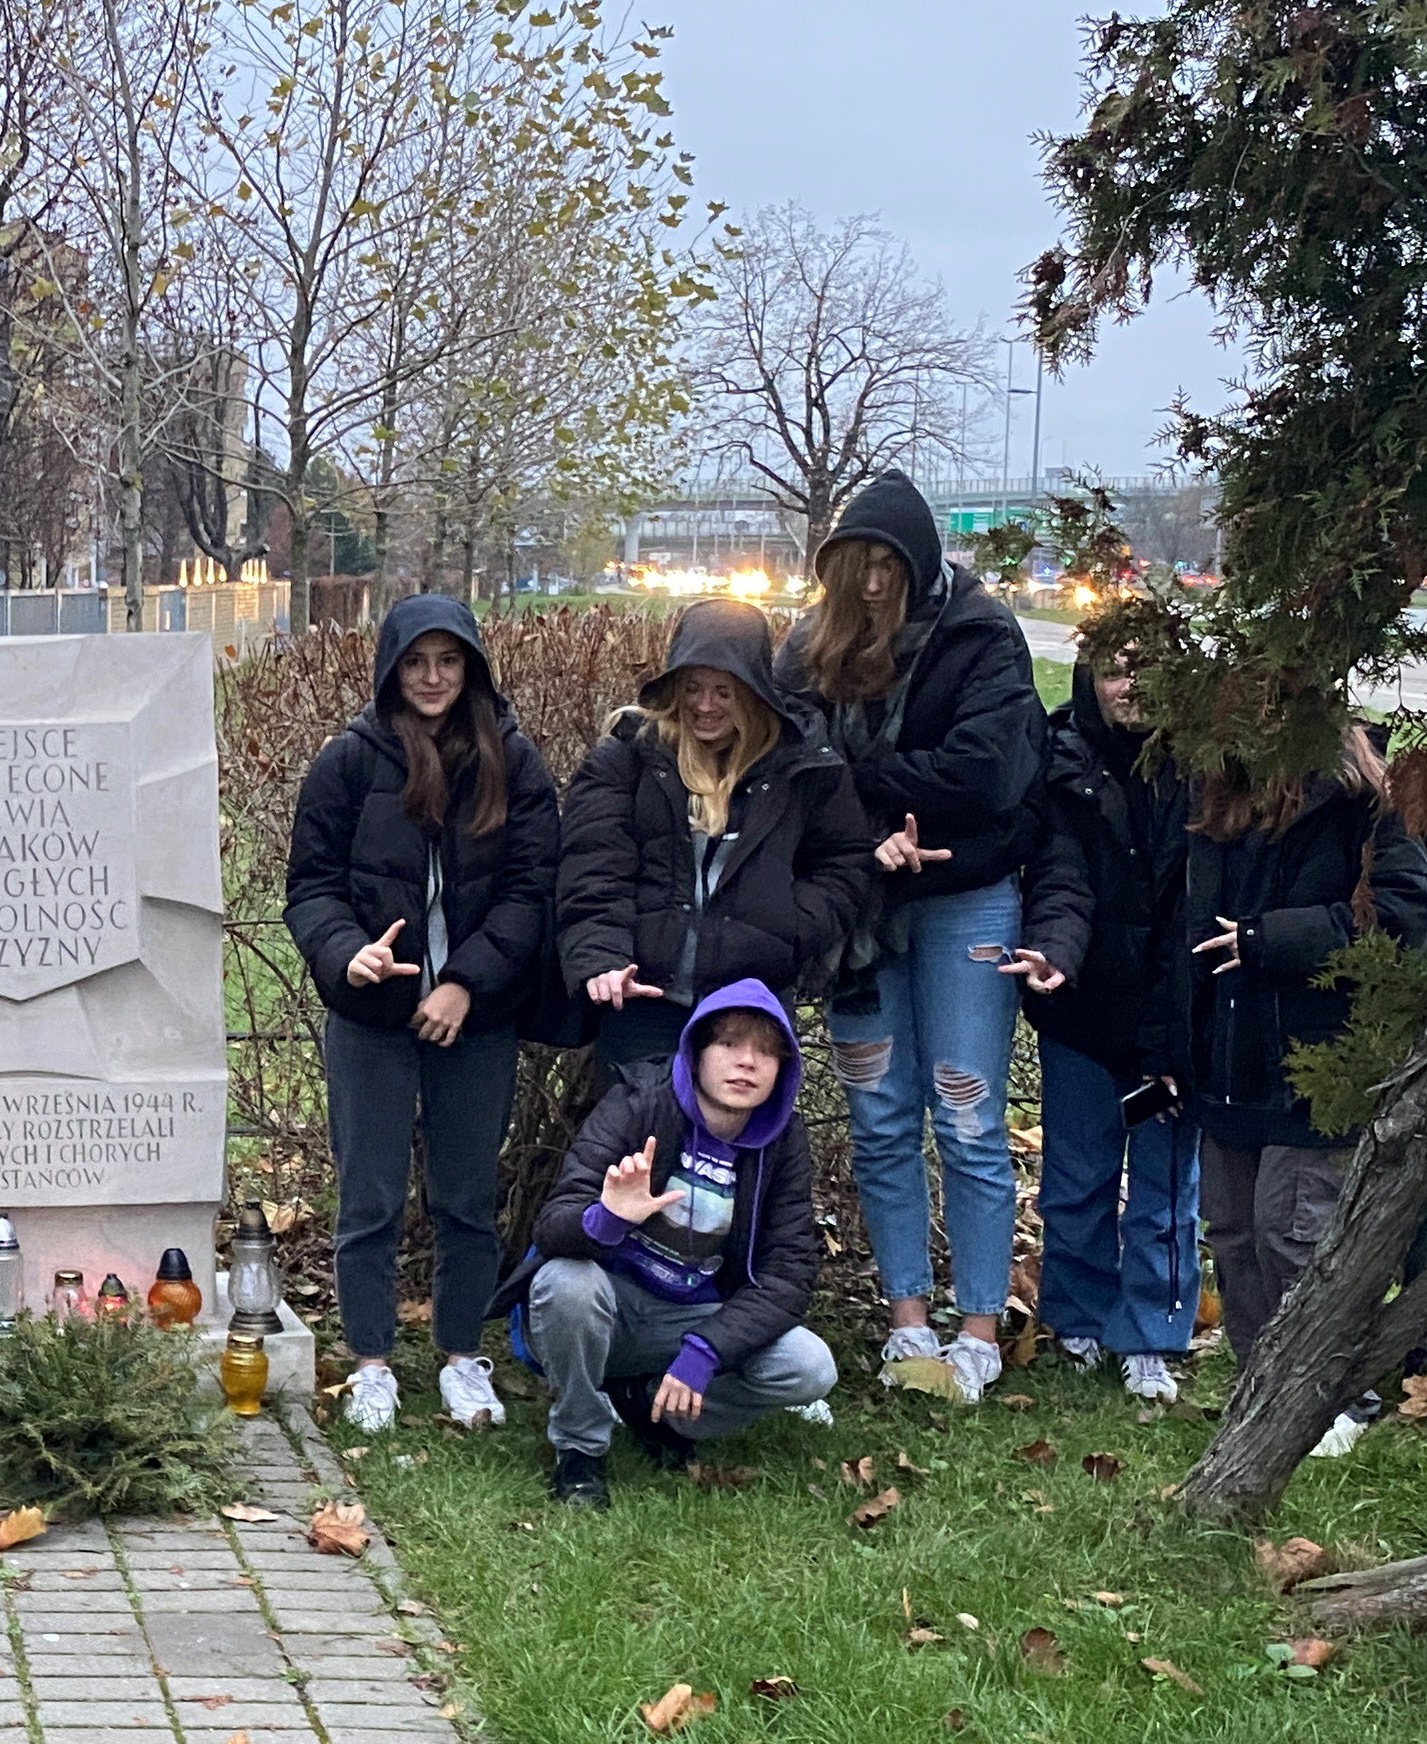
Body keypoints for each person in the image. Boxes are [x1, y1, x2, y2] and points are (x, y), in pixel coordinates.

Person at [776, 473, 1053, 1402]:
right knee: (880, 1115)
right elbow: (791, 757)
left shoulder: (981, 635)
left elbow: (987, 773)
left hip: (966, 896)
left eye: (888, 568)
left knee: (968, 1114)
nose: (871, 586)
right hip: (859, 904)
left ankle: (978, 1325)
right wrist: (870, 833)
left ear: (920, 566)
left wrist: (867, 787)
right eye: (857, 567)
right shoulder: (808, 645)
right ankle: (906, 1316)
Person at [284, 594, 562, 1437]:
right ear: (391, 669)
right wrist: (347, 954)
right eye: (415, 661)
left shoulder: (512, 760)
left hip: (475, 1018)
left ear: (471, 667)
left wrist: (466, 982)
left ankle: (460, 1356)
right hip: (369, 1016)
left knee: (466, 1199)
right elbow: (312, 885)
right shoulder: (349, 760)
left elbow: (532, 889)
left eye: (448, 661)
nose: (433, 677)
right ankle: (370, 1361)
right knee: (368, 1196)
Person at [1170, 720, 1427, 1455]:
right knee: (1232, 1232)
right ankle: (1261, 1386)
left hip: (1323, 1062)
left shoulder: (1372, 802)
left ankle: (1334, 1398)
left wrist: (1268, 940)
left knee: (1293, 1233)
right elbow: (1186, 928)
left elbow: (1401, 918)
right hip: (1229, 1059)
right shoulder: (1217, 791)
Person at [511, 983, 837, 1512]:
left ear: (784, 1067)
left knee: (810, 1366)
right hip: (606, 1307)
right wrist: (608, 1218)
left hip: (689, 1319)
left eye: (766, 1051)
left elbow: (788, 1275)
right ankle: (579, 1449)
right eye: (729, 1044)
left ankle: (651, 1408)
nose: (747, 1062)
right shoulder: (638, 1102)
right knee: (566, 1282)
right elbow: (553, 1226)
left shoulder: (783, 1140)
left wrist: (706, 1350)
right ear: (696, 1051)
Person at [557, 598, 876, 1065]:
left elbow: (842, 863)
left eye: (723, 691)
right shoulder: (626, 758)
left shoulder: (803, 766)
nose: (704, 705)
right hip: (643, 997)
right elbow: (593, 868)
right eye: (692, 688)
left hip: (752, 1001)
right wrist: (602, 958)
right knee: (641, 1114)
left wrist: (787, 929)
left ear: (752, 692)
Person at [1010, 650, 1199, 1403]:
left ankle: (1151, 1334)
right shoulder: (1062, 757)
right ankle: (1078, 1315)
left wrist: (1181, 1025)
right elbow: (1060, 876)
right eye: (1116, 670)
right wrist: (1055, 953)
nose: (1133, 685)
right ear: (1090, 678)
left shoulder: (1208, 768)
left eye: (1149, 666)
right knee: (1075, 1179)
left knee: (1164, 1188)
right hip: (1084, 1007)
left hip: (1174, 1013)